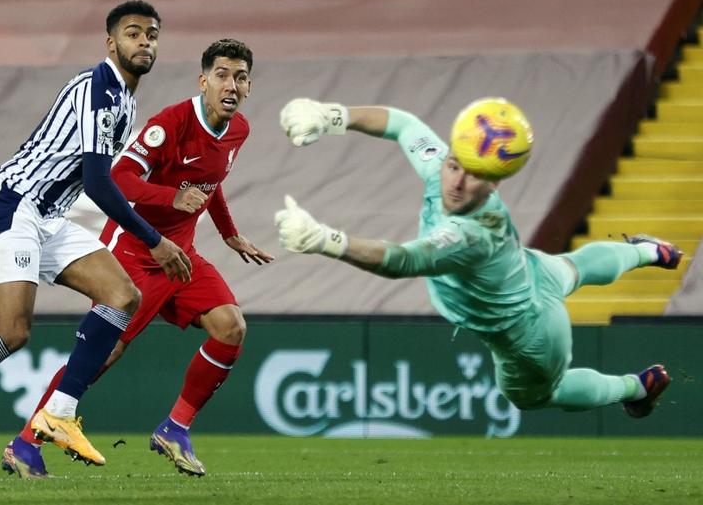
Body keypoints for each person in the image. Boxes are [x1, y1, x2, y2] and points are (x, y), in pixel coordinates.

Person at [0, 0, 194, 486]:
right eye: (133, 33)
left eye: (151, 35)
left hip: (43, 216)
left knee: (123, 295)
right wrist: (155, 240)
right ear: (111, 42)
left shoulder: (123, 98)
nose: (144, 42)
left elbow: (59, 160)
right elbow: (100, 185)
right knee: (12, 332)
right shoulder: (99, 90)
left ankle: (58, 411)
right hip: (14, 205)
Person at [273, 97, 676, 425]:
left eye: (471, 175)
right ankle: (651, 251)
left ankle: (636, 388)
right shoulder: (444, 170)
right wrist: (332, 115)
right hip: (531, 271)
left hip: (529, 335)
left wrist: (326, 240)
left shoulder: (472, 233)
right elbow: (402, 123)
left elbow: (402, 261)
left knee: (537, 396)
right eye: (452, 166)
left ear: (494, 182)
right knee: (575, 266)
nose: (456, 182)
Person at [0, 38, 272, 480]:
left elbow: (210, 180)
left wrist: (230, 233)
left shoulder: (238, 130)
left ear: (249, 87)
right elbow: (118, 179)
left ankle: (175, 429)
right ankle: (25, 443)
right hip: (136, 251)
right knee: (102, 356)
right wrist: (170, 196)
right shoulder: (169, 124)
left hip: (182, 255)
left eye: (240, 77)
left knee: (231, 327)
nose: (231, 84)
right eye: (222, 74)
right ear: (203, 80)